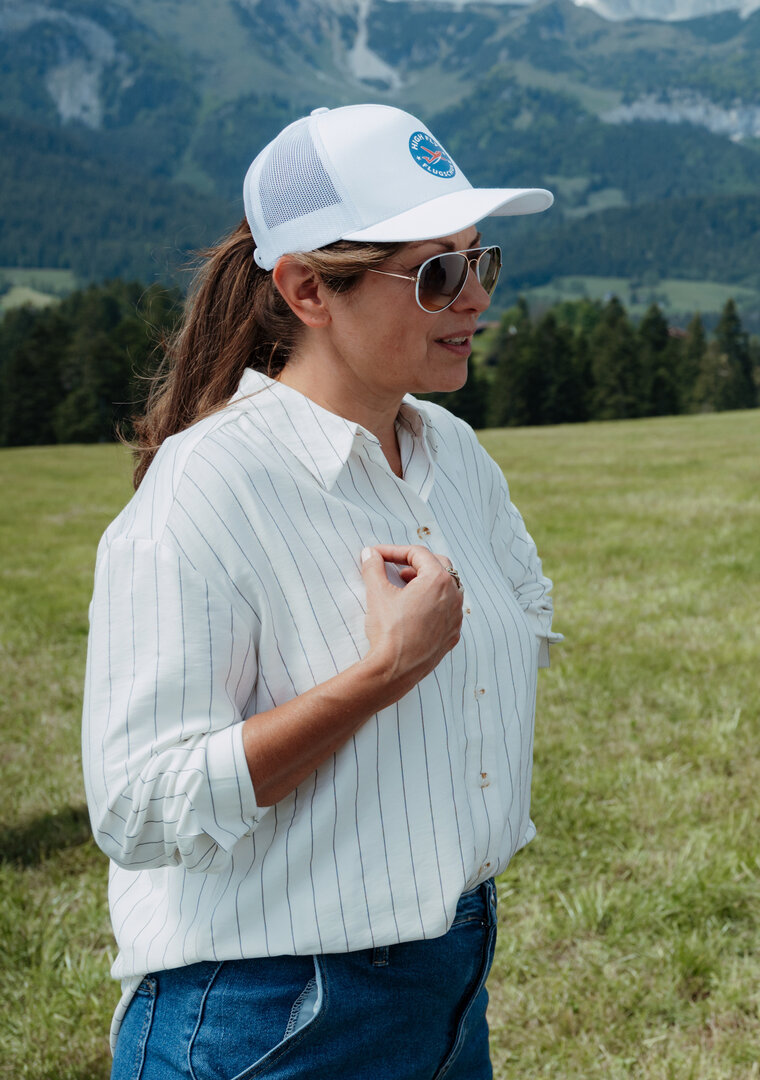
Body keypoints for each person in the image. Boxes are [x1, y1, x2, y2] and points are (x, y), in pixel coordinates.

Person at [81, 104, 559, 1078]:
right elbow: (137, 806)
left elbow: (524, 612)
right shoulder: (208, 486)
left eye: (481, 261)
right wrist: (382, 671)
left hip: (447, 986)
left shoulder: (454, 454)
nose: (475, 298)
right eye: (435, 273)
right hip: (276, 1017)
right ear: (306, 289)